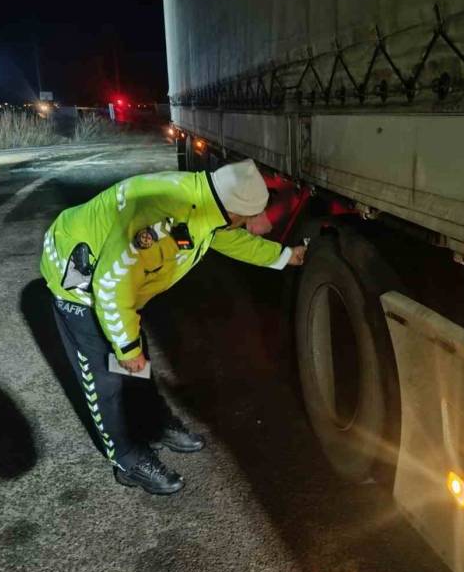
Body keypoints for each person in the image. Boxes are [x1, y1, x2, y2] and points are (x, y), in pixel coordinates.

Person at [40, 158, 306, 496]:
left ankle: (152, 423)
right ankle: (127, 458)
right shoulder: (158, 223)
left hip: (116, 282)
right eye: (247, 219)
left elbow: (226, 239)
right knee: (106, 376)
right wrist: (126, 348)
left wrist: (283, 256)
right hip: (79, 282)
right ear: (233, 211)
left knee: (136, 363)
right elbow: (109, 285)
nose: (250, 225)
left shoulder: (207, 204)